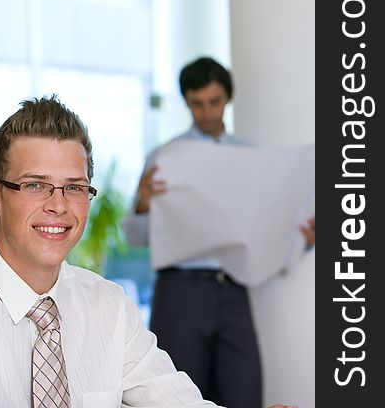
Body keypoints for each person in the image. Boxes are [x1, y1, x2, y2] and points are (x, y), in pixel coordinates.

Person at [0, 94, 296, 408]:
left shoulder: (108, 304)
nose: (58, 205)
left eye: (74, 187)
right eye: (35, 185)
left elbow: (177, 402)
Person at [123, 57, 315, 408]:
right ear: (186, 102)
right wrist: (142, 203)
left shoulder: (252, 158)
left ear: (227, 99)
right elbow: (134, 237)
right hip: (179, 291)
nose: (206, 112)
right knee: (172, 397)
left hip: (233, 289)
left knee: (245, 391)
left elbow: (266, 234)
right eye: (197, 103)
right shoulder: (165, 156)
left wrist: (302, 240)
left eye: (214, 102)